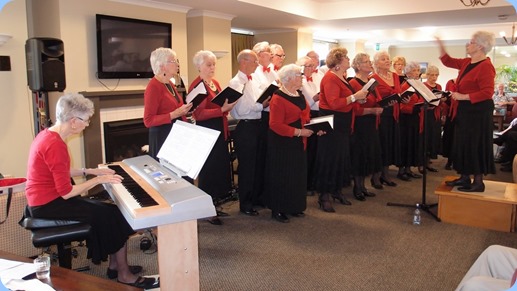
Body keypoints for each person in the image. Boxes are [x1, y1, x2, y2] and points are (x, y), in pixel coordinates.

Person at [24, 93, 159, 289]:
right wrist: (99, 179)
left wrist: (89, 171)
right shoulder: (55, 145)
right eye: (86, 120)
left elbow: (59, 170)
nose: (87, 124)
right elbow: (67, 192)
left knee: (110, 211)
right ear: (73, 121)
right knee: (112, 214)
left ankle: (115, 265)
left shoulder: (48, 135)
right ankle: (124, 274)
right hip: (48, 205)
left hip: (44, 200)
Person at [437, 31, 496, 192]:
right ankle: (464, 177)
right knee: (463, 143)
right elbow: (448, 61)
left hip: (478, 112)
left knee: (475, 144)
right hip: (466, 111)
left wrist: (463, 96)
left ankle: (478, 182)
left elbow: (487, 93)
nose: (467, 44)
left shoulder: (486, 66)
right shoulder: (466, 62)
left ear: (480, 46)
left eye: (471, 42)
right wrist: (440, 44)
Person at [312, 47, 367, 212]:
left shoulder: (341, 77)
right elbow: (334, 103)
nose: (349, 60)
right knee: (329, 159)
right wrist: (354, 97)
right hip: (331, 124)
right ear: (338, 62)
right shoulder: (330, 78)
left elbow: (346, 101)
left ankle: (336, 190)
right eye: (346, 58)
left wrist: (358, 100)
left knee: (341, 159)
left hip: (342, 124)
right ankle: (324, 196)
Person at [189, 50, 236, 225]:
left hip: (218, 128)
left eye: (214, 64)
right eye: (209, 65)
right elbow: (198, 114)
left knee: (218, 169)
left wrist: (227, 106)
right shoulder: (197, 85)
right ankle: (206, 210)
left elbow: (220, 105)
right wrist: (221, 110)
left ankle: (214, 205)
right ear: (198, 66)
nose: (212, 67)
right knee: (208, 171)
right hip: (206, 131)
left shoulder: (214, 82)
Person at [265, 64, 316, 223]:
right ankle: (278, 208)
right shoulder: (278, 97)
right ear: (287, 79)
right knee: (282, 175)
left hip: (298, 142)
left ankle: (294, 206)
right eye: (298, 75)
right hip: (283, 143)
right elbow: (275, 125)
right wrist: (299, 132)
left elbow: (305, 116)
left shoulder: (298, 94)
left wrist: (315, 127)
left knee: (296, 175)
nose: (302, 77)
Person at [229, 49, 270, 216]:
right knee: (247, 167)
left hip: (258, 125)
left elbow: (255, 101)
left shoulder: (252, 80)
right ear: (244, 61)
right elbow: (243, 109)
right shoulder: (235, 83)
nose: (257, 64)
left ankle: (257, 198)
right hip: (245, 127)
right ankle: (245, 203)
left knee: (259, 164)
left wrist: (263, 101)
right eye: (255, 61)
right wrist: (263, 105)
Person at [143, 48, 192, 160]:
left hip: (174, 135)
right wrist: (174, 114)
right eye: (174, 61)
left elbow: (175, 107)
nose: (177, 64)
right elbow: (148, 121)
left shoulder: (169, 83)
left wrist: (186, 109)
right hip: (163, 138)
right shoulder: (153, 86)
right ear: (162, 66)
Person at [349, 53, 383, 198]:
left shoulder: (371, 81)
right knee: (359, 154)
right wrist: (371, 110)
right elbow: (353, 109)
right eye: (366, 61)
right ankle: (357, 187)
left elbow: (377, 99)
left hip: (370, 123)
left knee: (368, 154)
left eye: (370, 61)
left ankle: (363, 186)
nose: (370, 63)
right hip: (359, 124)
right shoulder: (353, 83)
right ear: (358, 66)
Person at [371, 51, 403, 188]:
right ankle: (375, 176)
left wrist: (403, 98)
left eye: (388, 59)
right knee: (380, 145)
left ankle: (386, 174)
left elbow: (399, 92)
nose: (387, 61)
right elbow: (373, 98)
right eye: (383, 59)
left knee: (389, 144)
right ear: (376, 62)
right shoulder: (373, 78)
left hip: (393, 114)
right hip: (381, 114)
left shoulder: (395, 76)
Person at [296, 56, 320, 195]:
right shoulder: (300, 83)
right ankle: (306, 184)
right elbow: (304, 105)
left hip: (316, 115)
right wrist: (315, 98)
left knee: (314, 151)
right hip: (306, 117)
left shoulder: (313, 81)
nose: (312, 68)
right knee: (308, 151)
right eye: (309, 66)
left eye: (313, 65)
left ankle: (312, 181)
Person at [397, 61, 423, 182]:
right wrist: (414, 107)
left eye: (418, 70)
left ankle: (408, 169)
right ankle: (401, 170)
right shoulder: (404, 86)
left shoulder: (417, 84)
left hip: (415, 117)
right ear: (407, 73)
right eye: (414, 70)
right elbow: (401, 106)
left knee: (413, 143)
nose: (417, 73)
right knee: (405, 143)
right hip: (406, 119)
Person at [420, 65, 442, 173]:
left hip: (435, 114)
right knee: (425, 139)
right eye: (432, 75)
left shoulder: (438, 86)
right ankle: (421, 165)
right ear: (427, 75)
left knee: (433, 138)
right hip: (425, 114)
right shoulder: (423, 85)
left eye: (436, 75)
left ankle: (428, 163)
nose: (434, 77)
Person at [442, 78, 457, 170]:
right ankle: (449, 161)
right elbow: (447, 99)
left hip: (463, 114)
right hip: (451, 114)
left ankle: (459, 161)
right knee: (450, 137)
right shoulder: (450, 82)